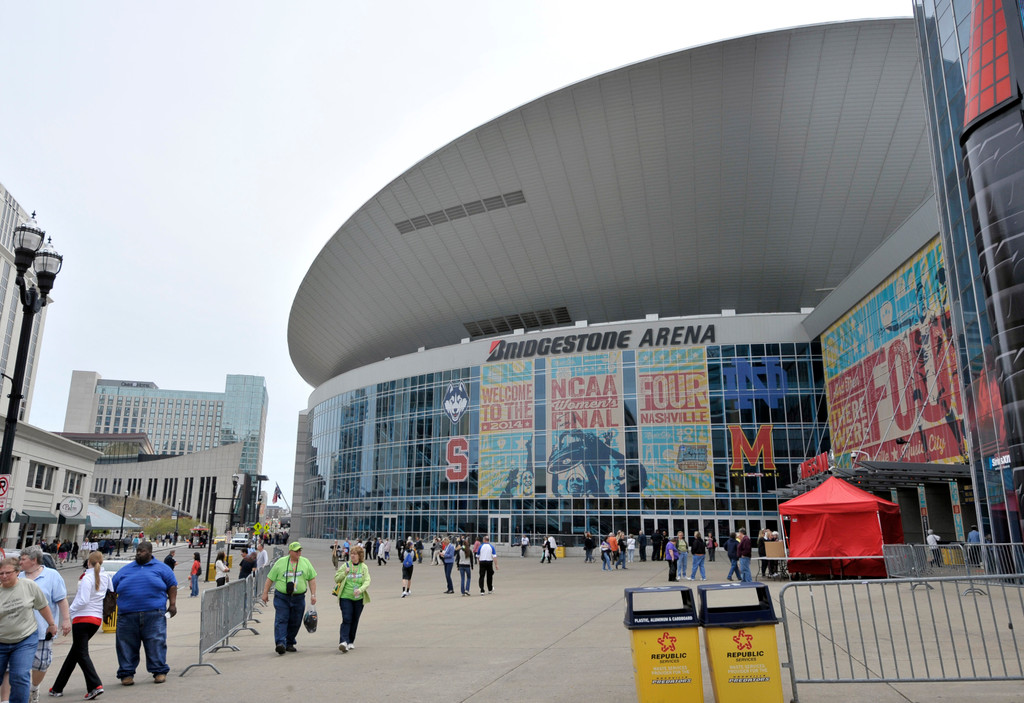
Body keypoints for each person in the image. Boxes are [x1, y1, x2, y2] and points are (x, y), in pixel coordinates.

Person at [3, 546, 71, 703]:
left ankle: (34, 687)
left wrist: (66, 620)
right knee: (10, 669)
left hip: (41, 630)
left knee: (40, 665)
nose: (20, 562)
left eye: (23, 559)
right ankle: (5, 700)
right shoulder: (16, 575)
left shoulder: (52, 576)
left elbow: (61, 599)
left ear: (34, 560)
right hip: (16, 632)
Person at [111, 541, 177, 685]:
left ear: (150, 552)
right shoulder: (125, 570)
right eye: (138, 551)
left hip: (154, 614)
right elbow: (111, 590)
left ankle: (159, 671)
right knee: (126, 645)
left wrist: (172, 605)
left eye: (142, 551)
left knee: (156, 642)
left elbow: (172, 585)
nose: (139, 553)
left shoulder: (162, 569)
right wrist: (107, 610)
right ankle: (126, 674)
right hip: (127, 616)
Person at [48, 552, 111, 699]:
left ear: (88, 562)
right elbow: (111, 593)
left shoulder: (87, 578)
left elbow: (82, 600)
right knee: (75, 653)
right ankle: (57, 687)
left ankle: (95, 685)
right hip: (95, 620)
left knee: (81, 653)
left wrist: (68, 612)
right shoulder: (106, 576)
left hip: (82, 619)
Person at [261, 542, 317, 655]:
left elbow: (312, 579)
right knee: (282, 619)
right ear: (290, 551)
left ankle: (290, 642)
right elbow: (270, 579)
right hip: (282, 597)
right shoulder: (280, 562)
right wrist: (265, 593)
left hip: (299, 597)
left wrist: (313, 595)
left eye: (300, 551)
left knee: (295, 621)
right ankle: (280, 643)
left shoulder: (305, 562)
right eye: (296, 551)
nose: (298, 553)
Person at [335, 545, 371, 653]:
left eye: (355, 554)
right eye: (351, 554)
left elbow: (367, 581)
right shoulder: (345, 565)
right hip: (346, 597)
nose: (353, 556)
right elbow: (336, 578)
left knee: (355, 620)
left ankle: (350, 641)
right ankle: (343, 641)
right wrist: (344, 573)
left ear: (360, 556)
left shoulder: (363, 567)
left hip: (359, 598)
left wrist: (360, 590)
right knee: (347, 618)